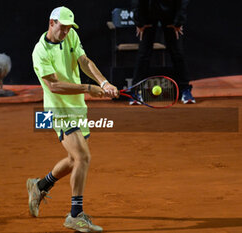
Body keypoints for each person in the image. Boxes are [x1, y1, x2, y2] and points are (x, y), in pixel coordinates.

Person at [28, 6, 118, 232]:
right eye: (62, 27)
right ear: (51, 23)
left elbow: (84, 61)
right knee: (83, 157)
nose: (66, 32)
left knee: (73, 159)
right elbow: (54, 86)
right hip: (56, 111)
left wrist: (104, 83)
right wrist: (88, 88)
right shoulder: (40, 51)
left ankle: (39, 186)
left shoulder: (71, 36)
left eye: (69, 28)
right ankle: (75, 215)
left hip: (77, 108)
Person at [130, 0, 195, 105]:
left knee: (177, 53)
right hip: (148, 12)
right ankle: (135, 92)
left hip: (170, 13)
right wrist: (139, 22)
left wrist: (178, 21)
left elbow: (182, 1)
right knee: (144, 54)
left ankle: (185, 90)